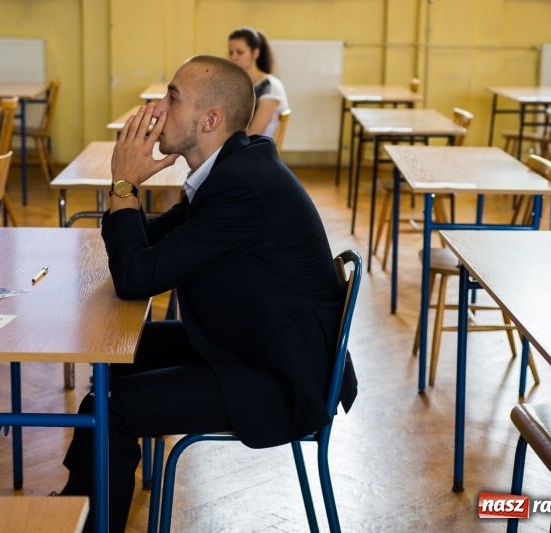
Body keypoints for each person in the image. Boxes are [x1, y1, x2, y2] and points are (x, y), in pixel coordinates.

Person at [59, 55, 356, 532]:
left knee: (110, 409)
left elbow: (136, 276)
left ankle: (87, 518)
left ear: (210, 120)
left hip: (281, 377)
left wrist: (124, 184)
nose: (158, 107)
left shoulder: (242, 186)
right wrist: (127, 192)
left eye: (173, 98)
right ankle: (82, 507)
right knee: (117, 350)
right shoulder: (232, 168)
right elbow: (150, 244)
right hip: (249, 340)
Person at [228, 27, 289, 138]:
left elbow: (253, 134)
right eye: (231, 52)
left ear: (255, 53)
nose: (233, 57)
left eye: (240, 52)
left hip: (257, 147)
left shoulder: (270, 87)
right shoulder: (243, 86)